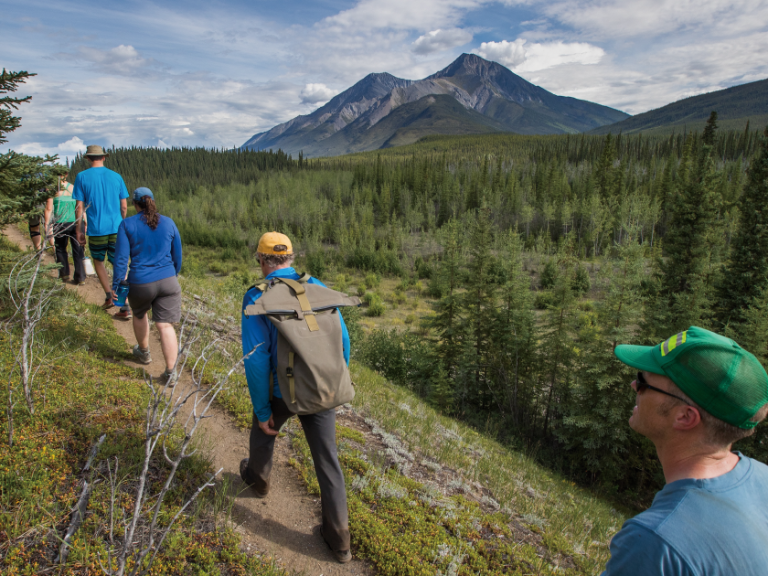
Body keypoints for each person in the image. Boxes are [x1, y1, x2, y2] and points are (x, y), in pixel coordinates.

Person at [602, 326, 768, 576]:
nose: (634, 385)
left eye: (644, 382)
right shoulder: (763, 477)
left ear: (685, 417)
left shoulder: (656, 544)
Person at [240, 232, 352, 564]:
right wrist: (333, 379)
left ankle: (259, 479)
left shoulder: (256, 296)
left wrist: (263, 409)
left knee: (263, 430)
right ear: (290, 258)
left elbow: (257, 359)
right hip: (320, 386)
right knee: (327, 459)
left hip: (281, 391)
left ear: (262, 260)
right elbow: (342, 339)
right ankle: (339, 540)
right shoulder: (315, 285)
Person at [112, 187, 182, 380]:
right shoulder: (169, 222)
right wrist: (172, 274)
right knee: (165, 325)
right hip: (168, 281)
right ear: (152, 201)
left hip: (141, 282)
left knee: (140, 313)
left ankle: (144, 353)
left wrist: (117, 284)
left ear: (135, 204)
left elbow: (121, 259)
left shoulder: (127, 224)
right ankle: (171, 372)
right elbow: (177, 255)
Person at [72, 145, 132, 319]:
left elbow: (79, 207)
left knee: (98, 261)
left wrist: (79, 229)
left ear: (88, 158)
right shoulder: (116, 176)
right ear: (104, 157)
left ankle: (108, 296)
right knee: (119, 264)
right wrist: (121, 222)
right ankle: (124, 304)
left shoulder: (81, 177)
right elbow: (124, 206)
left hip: (96, 229)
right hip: (116, 229)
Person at [44, 171, 85, 284]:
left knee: (61, 249)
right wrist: (84, 222)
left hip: (61, 223)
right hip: (76, 222)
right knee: (78, 249)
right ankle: (80, 277)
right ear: (66, 175)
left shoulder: (51, 189)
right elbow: (80, 206)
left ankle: (64, 274)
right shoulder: (74, 187)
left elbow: (48, 209)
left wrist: (47, 225)